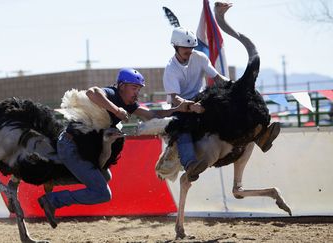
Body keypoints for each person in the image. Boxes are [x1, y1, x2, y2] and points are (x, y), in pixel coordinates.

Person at [38, 68, 196, 227]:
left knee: (105, 177)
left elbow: (152, 115)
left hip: (80, 148)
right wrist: (116, 110)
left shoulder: (129, 104)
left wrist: (177, 109)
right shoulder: (111, 94)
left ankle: (55, 180)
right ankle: (52, 200)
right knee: (102, 193)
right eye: (134, 88)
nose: (137, 93)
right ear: (122, 86)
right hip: (71, 147)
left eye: (139, 89)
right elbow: (92, 92)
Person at [163, 27, 280, 175]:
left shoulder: (199, 58)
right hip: (181, 106)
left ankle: (260, 137)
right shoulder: (171, 69)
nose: (189, 51)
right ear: (175, 47)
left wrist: (235, 88)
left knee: (229, 105)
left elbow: (217, 78)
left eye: (191, 47)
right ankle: (190, 164)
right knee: (181, 127)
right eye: (185, 48)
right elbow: (174, 97)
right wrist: (190, 106)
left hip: (201, 100)